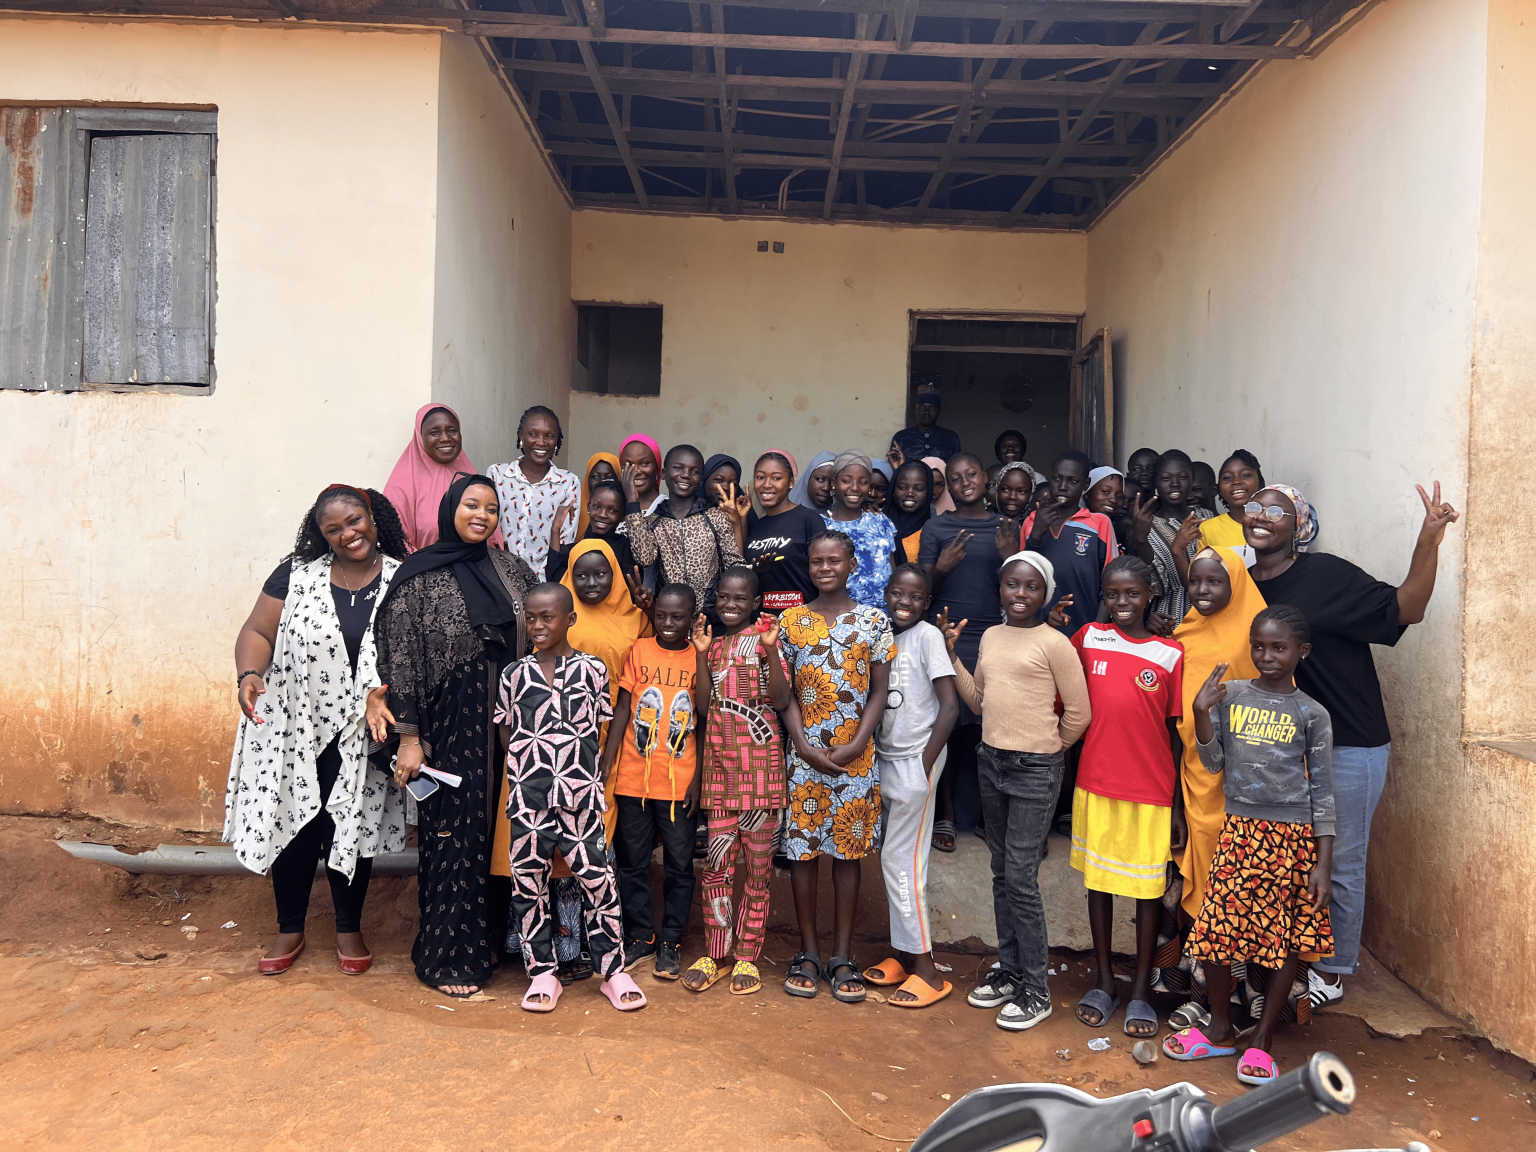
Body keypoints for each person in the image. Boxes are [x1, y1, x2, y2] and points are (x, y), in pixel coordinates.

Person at [1245, 481, 1457, 1009]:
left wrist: (1428, 539)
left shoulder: (1327, 575)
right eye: (1255, 507)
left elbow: (1406, 608)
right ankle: (1287, 956)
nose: (1262, 515)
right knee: (1288, 862)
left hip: (1349, 743)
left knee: (1339, 860)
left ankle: (1332, 973)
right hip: (1280, 752)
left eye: (1278, 509)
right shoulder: (1242, 585)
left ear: (1300, 527)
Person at [228, 485, 409, 976]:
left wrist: (389, 696)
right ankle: (290, 927)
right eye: (334, 529)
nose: (349, 534)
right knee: (297, 823)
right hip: (294, 725)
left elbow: (413, 651)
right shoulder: (297, 574)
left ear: (372, 516)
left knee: (351, 820)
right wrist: (250, 675)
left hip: (362, 729)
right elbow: (258, 631)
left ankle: (348, 927)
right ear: (322, 535)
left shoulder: (402, 577)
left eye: (355, 520)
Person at [375, 474, 538, 996]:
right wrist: (408, 736)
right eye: (472, 505)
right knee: (454, 840)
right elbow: (399, 659)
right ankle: (448, 959)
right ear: (451, 509)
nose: (482, 515)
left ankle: (494, 942)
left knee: (502, 836)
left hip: (512, 729)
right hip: (450, 727)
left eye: (491, 508)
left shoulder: (513, 569)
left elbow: (541, 632)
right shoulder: (417, 578)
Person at [1167, 605, 1336, 1086]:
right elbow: (1213, 761)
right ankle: (1219, 1029)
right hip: (1240, 832)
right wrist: (1201, 711)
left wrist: (1323, 864)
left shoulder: (1312, 714)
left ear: (1301, 652)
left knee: (1284, 941)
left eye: (1279, 648)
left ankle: (1260, 1041)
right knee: (1218, 931)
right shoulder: (1231, 696)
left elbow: (1322, 792)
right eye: (1259, 646)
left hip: (1292, 840)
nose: (1267, 656)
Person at [943, 551, 1091, 1032]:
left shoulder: (1056, 643)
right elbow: (980, 701)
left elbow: (1079, 713)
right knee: (1001, 872)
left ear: (1044, 591)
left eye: (1030, 586)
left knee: (1022, 879)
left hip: (1034, 769)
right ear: (1000, 589)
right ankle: (1009, 973)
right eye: (1012, 585)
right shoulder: (990, 635)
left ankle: (1035, 990)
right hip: (992, 760)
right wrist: (952, 658)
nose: (1020, 594)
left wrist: (1049, 751)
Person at [495, 582, 646, 1014]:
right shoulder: (513, 674)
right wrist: (530, 769)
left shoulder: (593, 670)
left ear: (569, 620)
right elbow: (507, 732)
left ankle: (614, 972)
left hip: (580, 795)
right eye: (532, 617)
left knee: (598, 880)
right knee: (530, 884)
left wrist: (587, 772)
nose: (538, 625)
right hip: (529, 797)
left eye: (548, 617)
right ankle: (542, 973)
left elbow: (603, 724)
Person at [1069, 555, 1186, 1039]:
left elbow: (1176, 733)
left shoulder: (1169, 654)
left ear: (1151, 592)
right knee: (1099, 886)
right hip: (1095, 783)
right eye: (1113, 594)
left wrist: (1178, 802)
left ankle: (1140, 988)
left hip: (1150, 791)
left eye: (1132, 594)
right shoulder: (1086, 640)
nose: (1122, 603)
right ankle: (1103, 980)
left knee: (1145, 892)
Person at [778, 530, 893, 1003]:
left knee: (847, 855)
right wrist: (802, 745)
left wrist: (857, 743)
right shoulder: (790, 622)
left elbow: (880, 692)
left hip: (855, 760)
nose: (825, 568)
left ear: (851, 565)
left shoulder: (873, 621)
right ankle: (807, 951)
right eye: (817, 562)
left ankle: (842, 955)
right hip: (804, 757)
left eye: (834, 561)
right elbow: (781, 695)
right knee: (803, 854)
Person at [683, 567, 791, 995]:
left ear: (754, 602)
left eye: (739, 599)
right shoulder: (712, 646)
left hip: (762, 775)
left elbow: (781, 700)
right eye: (723, 597)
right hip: (721, 774)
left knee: (759, 872)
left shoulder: (768, 642)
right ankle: (716, 953)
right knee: (716, 870)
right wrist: (699, 653)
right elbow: (706, 709)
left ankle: (747, 957)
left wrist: (768, 651)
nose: (730, 605)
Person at [598, 583, 705, 981]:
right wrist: (608, 764)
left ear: (693, 618)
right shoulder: (640, 650)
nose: (668, 624)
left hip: (680, 781)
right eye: (661, 615)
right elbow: (623, 707)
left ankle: (672, 940)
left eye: (678, 617)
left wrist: (700, 780)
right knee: (632, 864)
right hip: (632, 779)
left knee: (679, 866)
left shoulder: (699, 657)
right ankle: (641, 934)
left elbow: (706, 720)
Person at [864, 565, 959, 1007]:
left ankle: (928, 970)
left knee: (903, 863)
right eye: (897, 593)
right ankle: (903, 955)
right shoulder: (885, 635)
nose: (905, 602)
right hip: (887, 760)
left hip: (915, 763)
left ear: (926, 602)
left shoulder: (927, 637)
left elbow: (949, 708)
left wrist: (923, 764)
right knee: (894, 860)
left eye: (915, 596)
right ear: (886, 593)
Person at [1171, 548, 1266, 928]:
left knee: (1245, 873)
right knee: (1204, 861)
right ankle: (1203, 978)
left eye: (1214, 581)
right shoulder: (1184, 632)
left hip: (1246, 778)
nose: (1202, 590)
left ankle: (1244, 980)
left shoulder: (1256, 638)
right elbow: (1177, 716)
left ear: (1237, 583)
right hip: (1196, 772)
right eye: (1195, 581)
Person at [920, 453, 1010, 850]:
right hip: (947, 634)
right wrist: (941, 567)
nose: (964, 482)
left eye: (971, 474)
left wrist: (1010, 556)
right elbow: (920, 590)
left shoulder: (1005, 526)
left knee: (991, 730)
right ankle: (946, 816)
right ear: (948, 487)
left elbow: (1018, 585)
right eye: (955, 479)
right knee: (950, 727)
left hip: (992, 635)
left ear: (985, 479)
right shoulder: (937, 526)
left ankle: (992, 816)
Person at [623, 443, 743, 624]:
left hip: (710, 619)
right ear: (663, 474)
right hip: (671, 619)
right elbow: (644, 557)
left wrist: (750, 571)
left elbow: (732, 563)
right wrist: (632, 501)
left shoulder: (714, 516)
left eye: (694, 471)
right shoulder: (654, 520)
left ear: (701, 479)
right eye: (678, 468)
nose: (686, 475)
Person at [1019, 451, 1117, 638]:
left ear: (1085, 485)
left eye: (1072, 481)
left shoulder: (1099, 524)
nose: (1062, 487)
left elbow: (1110, 585)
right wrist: (1036, 536)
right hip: (1036, 633)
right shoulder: (1032, 522)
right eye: (1057, 479)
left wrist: (1095, 631)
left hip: (1085, 631)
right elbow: (1021, 578)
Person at [384, 403, 502, 551]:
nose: (445, 438)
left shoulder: (471, 479)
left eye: (452, 431)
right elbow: (396, 542)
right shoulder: (400, 487)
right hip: (423, 570)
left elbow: (490, 537)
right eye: (434, 433)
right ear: (420, 437)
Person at [486, 405, 581, 576]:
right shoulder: (497, 475)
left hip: (546, 583)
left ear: (557, 441)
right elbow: (489, 532)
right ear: (520, 435)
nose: (541, 442)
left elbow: (565, 540)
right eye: (533, 434)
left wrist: (540, 582)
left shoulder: (568, 482)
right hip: (499, 577)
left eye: (549, 436)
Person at [1130, 450, 1213, 622]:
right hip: (1167, 620)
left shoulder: (1207, 517)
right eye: (1166, 478)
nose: (1175, 484)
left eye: (1182, 477)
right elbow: (1154, 586)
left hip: (1209, 616)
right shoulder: (1146, 524)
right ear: (1156, 482)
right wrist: (1140, 539)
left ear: (1191, 480)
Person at [743, 450, 825, 612]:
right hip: (762, 626)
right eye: (760, 477)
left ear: (791, 482)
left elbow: (825, 572)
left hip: (803, 623)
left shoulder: (808, 519)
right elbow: (741, 572)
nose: (766, 484)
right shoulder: (756, 526)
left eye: (776, 478)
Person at [821, 450, 898, 610]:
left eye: (863, 482)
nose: (855, 488)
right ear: (834, 483)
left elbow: (892, 570)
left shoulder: (881, 521)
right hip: (841, 618)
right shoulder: (821, 525)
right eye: (846, 481)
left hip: (883, 618)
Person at [545, 479, 637, 584]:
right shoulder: (575, 549)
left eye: (613, 510)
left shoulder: (624, 547)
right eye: (597, 507)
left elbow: (630, 588)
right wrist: (555, 529)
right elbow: (554, 579)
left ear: (622, 516)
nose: (602, 514)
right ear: (589, 507)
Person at [1198, 450, 1264, 551]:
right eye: (1227, 478)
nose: (1236, 481)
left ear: (1260, 484)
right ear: (1219, 488)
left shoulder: (1273, 522)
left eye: (1246, 475)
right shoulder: (1208, 529)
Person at [892, 379, 962, 463]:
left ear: (939, 411)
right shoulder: (901, 437)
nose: (926, 412)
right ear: (916, 410)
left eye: (931, 408)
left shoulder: (950, 438)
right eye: (921, 408)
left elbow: (957, 467)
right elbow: (895, 467)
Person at [703, 452, 752, 555]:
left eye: (732, 484)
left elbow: (741, 559)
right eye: (719, 480)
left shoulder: (737, 510)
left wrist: (741, 519)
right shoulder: (689, 512)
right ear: (704, 479)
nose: (725, 487)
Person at [886, 459, 934, 565]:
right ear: (893, 488)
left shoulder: (933, 528)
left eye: (918, 489)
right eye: (902, 487)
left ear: (929, 492)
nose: (910, 493)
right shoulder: (878, 522)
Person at [617, 434, 666, 522]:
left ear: (657, 468)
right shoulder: (612, 507)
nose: (636, 471)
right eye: (629, 465)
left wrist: (632, 502)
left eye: (644, 463)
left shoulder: (668, 508)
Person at [1086, 466, 1132, 554]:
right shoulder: (1073, 524)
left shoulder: (1122, 528)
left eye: (1119, 496)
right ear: (1087, 492)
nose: (1113, 500)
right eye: (1105, 491)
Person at [576, 452, 621, 537]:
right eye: (595, 477)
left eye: (610, 477)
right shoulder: (572, 511)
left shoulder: (624, 517)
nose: (602, 481)